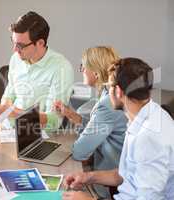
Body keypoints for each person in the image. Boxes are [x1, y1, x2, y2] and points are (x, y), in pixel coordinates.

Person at [63, 57, 174, 200]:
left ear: (118, 92)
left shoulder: (148, 136)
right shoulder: (145, 115)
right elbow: (124, 174)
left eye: (109, 87)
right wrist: (87, 177)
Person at [53, 47, 127, 198]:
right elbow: (100, 128)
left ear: (96, 73)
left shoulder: (107, 103)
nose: (81, 70)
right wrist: (73, 116)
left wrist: (74, 143)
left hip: (110, 185)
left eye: (83, 66)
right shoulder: (108, 95)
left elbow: (80, 152)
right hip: (112, 173)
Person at [0, 11, 75, 132]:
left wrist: (10, 112)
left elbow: (54, 121)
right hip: (8, 131)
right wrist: (1, 111)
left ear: (40, 43)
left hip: (38, 136)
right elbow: (9, 96)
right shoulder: (16, 59)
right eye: (13, 42)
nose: (15, 50)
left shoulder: (61, 68)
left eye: (20, 45)